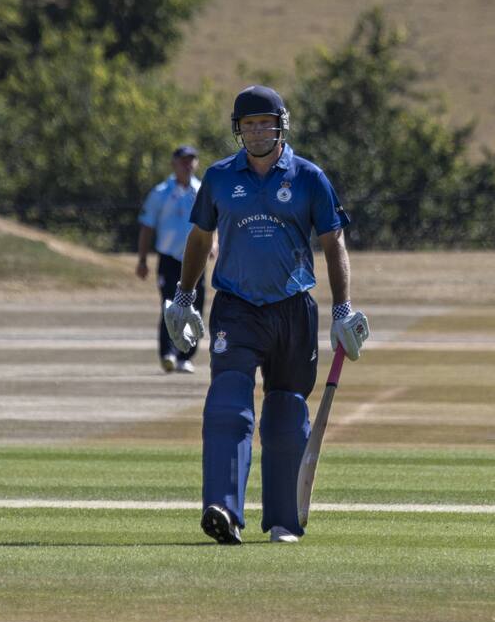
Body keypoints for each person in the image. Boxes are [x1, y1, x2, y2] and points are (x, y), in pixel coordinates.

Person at [163, 85, 370, 545]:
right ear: (239, 129)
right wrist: (183, 297)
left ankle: (283, 521)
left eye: (265, 123)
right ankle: (223, 509)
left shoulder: (309, 177)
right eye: (249, 124)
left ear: (281, 126)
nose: (257, 132)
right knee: (228, 403)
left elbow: (334, 243)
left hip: (294, 307)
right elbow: (199, 240)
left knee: (285, 412)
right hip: (236, 307)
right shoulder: (218, 178)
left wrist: (341, 308)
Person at [137, 145, 208, 373]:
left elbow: (211, 224)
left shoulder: (202, 190)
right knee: (170, 305)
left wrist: (214, 244)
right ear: (174, 164)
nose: (188, 165)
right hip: (169, 257)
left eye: (191, 160)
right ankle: (168, 353)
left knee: (194, 307)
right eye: (183, 161)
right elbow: (147, 227)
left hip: (197, 259)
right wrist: (142, 259)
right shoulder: (161, 192)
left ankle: (185, 356)